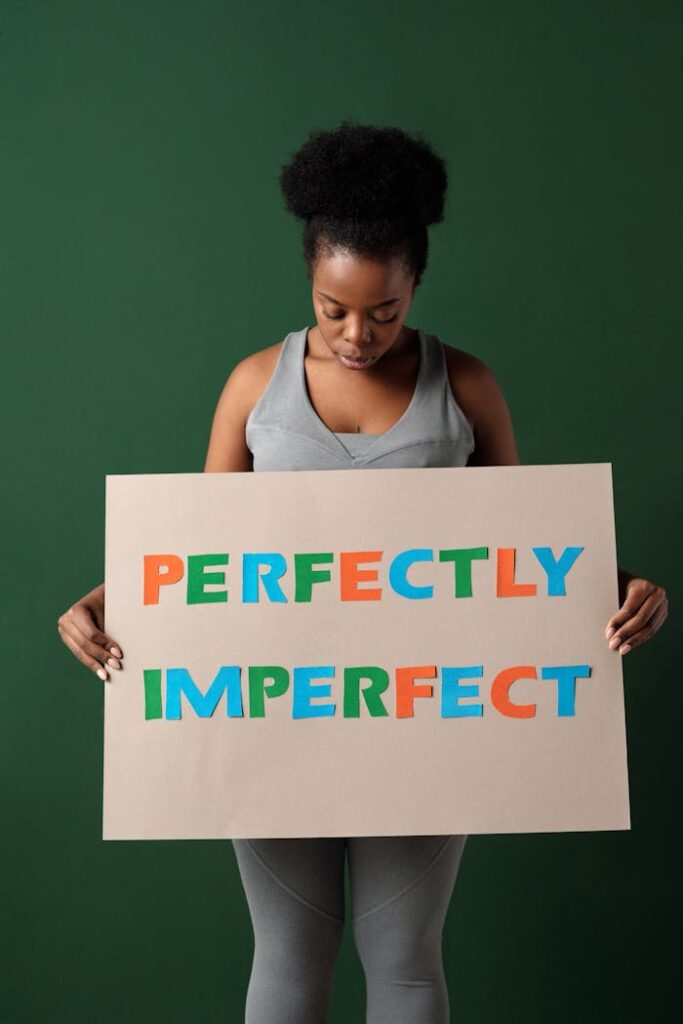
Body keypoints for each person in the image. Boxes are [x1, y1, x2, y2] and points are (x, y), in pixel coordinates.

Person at [57, 119, 668, 1024]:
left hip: (424, 714)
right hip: (270, 712)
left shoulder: (466, 387)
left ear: (416, 283)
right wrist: (103, 602)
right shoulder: (250, 388)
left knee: (404, 956)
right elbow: (195, 557)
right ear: (308, 282)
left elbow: (523, 556)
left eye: (382, 311)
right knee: (289, 953)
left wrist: (623, 587)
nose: (356, 334)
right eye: (331, 308)